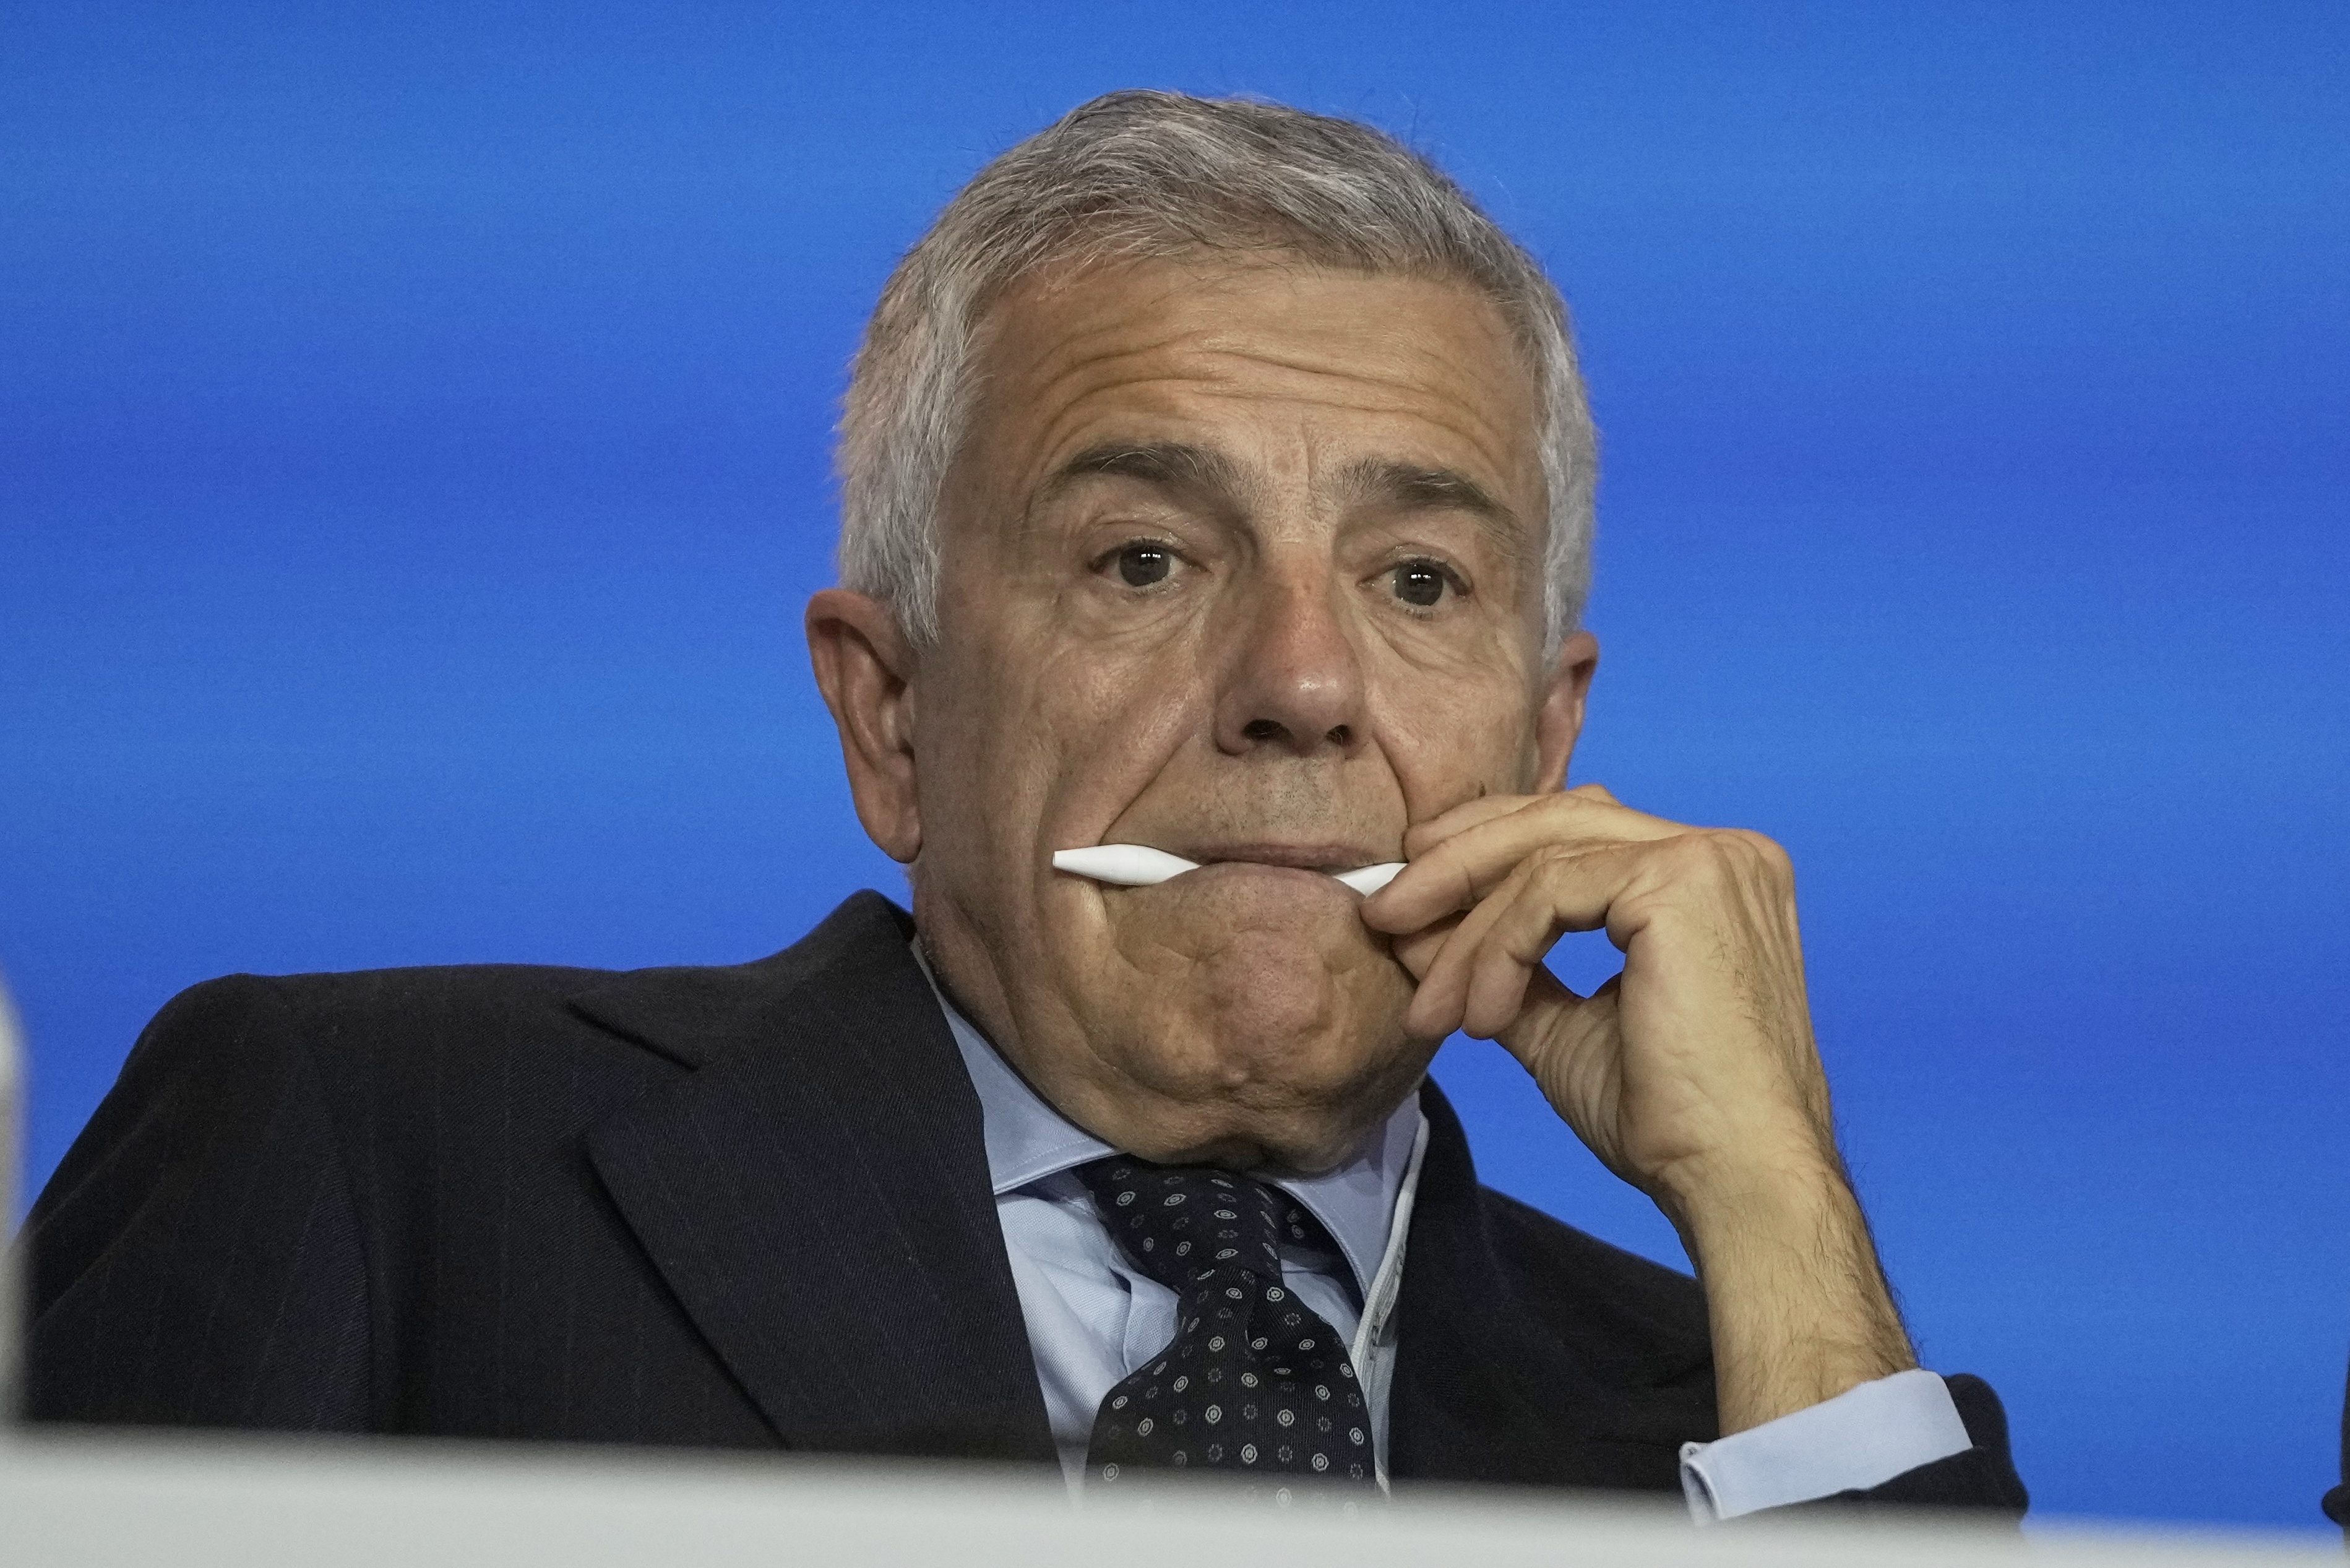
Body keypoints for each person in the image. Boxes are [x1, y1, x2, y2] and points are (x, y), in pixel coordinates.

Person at [22, 91, 2025, 1519]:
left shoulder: (1737, 1413)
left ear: (1546, 740)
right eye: (1147, 559)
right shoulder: (373, 1160)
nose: (1305, 690)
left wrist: (1772, 1198)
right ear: (889, 715)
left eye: (1421, 583)